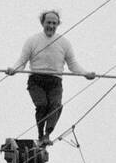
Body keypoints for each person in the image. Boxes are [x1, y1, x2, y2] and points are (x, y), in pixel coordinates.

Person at [5, 10, 96, 145]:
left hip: (55, 81)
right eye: (48, 22)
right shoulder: (32, 41)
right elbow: (22, 62)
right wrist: (14, 70)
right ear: (42, 23)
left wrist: (85, 74)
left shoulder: (64, 43)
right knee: (42, 105)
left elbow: (73, 65)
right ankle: (40, 134)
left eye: (54, 23)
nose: (51, 26)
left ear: (58, 24)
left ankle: (47, 135)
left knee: (56, 105)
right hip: (36, 80)